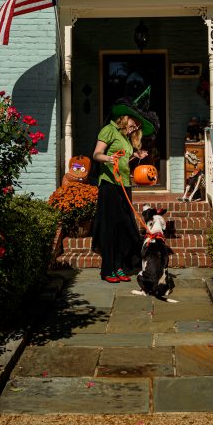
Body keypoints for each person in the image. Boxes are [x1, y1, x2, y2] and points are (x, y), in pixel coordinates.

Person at [91, 87, 158, 283]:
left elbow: (124, 160)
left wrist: (136, 155)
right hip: (109, 185)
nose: (135, 127)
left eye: (138, 125)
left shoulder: (127, 139)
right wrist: (108, 158)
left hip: (124, 185)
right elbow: (96, 154)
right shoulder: (109, 130)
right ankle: (108, 270)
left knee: (123, 227)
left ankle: (120, 267)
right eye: (133, 122)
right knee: (110, 227)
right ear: (125, 117)